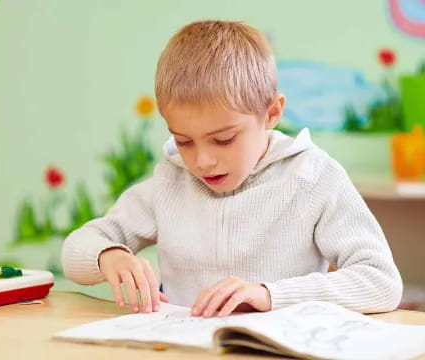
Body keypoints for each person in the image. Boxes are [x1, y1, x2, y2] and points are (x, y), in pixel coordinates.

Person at [62, 20, 402, 318]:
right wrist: (109, 256)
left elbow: (381, 282)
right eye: (184, 141)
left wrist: (270, 296)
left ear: (271, 114)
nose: (202, 161)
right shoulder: (171, 180)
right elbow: (76, 250)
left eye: (223, 139)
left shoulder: (313, 177)